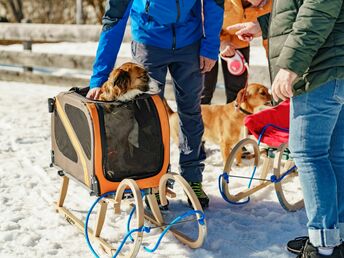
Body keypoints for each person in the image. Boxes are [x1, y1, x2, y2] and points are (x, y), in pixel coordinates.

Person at [227, 0, 344, 257]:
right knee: (334, 156)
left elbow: (316, 13)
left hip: (320, 70)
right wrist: (264, 25)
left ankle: (323, 246)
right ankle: (333, 236)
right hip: (334, 67)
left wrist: (291, 66)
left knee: (309, 153)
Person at [86, 0, 224, 208]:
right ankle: (153, 183)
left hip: (190, 41)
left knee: (191, 113)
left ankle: (192, 179)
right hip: (149, 42)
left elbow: (214, 3)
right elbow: (114, 18)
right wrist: (99, 77)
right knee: (148, 117)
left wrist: (211, 46)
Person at [201, 0, 271, 105]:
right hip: (208, 40)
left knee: (237, 95)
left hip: (239, 43)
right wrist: (220, 41)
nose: (263, 3)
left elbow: (270, 37)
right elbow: (202, 19)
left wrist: (276, 67)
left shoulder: (269, 3)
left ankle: (235, 120)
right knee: (203, 91)